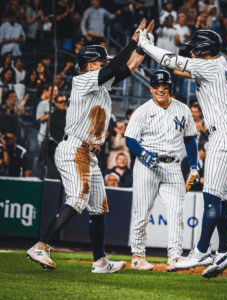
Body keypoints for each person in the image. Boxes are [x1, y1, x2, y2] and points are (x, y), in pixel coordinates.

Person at [26, 19, 153, 274]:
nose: (103, 65)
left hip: (89, 153)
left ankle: (100, 261)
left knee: (98, 208)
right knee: (77, 200)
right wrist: (132, 41)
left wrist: (143, 46)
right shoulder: (81, 80)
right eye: (99, 62)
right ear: (89, 65)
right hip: (75, 148)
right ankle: (40, 245)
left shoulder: (100, 83)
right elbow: (116, 65)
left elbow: (127, 68)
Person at [137, 29, 227, 278]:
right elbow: (179, 68)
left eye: (194, 47)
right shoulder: (219, 63)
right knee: (220, 198)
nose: (191, 50)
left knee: (211, 197)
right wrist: (153, 50)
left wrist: (145, 45)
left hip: (224, 137)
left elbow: (172, 61)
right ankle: (224, 250)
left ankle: (200, 251)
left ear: (204, 49)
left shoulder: (210, 67)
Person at [124, 69, 198, 271]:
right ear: (151, 88)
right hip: (148, 165)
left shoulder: (183, 109)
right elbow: (130, 139)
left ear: (170, 89)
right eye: (157, 86)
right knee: (141, 211)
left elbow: (190, 138)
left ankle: (174, 255)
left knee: (176, 211)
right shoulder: (142, 111)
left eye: (165, 87)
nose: (161, 90)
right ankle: (138, 256)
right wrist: (143, 153)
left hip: (173, 165)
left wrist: (194, 166)